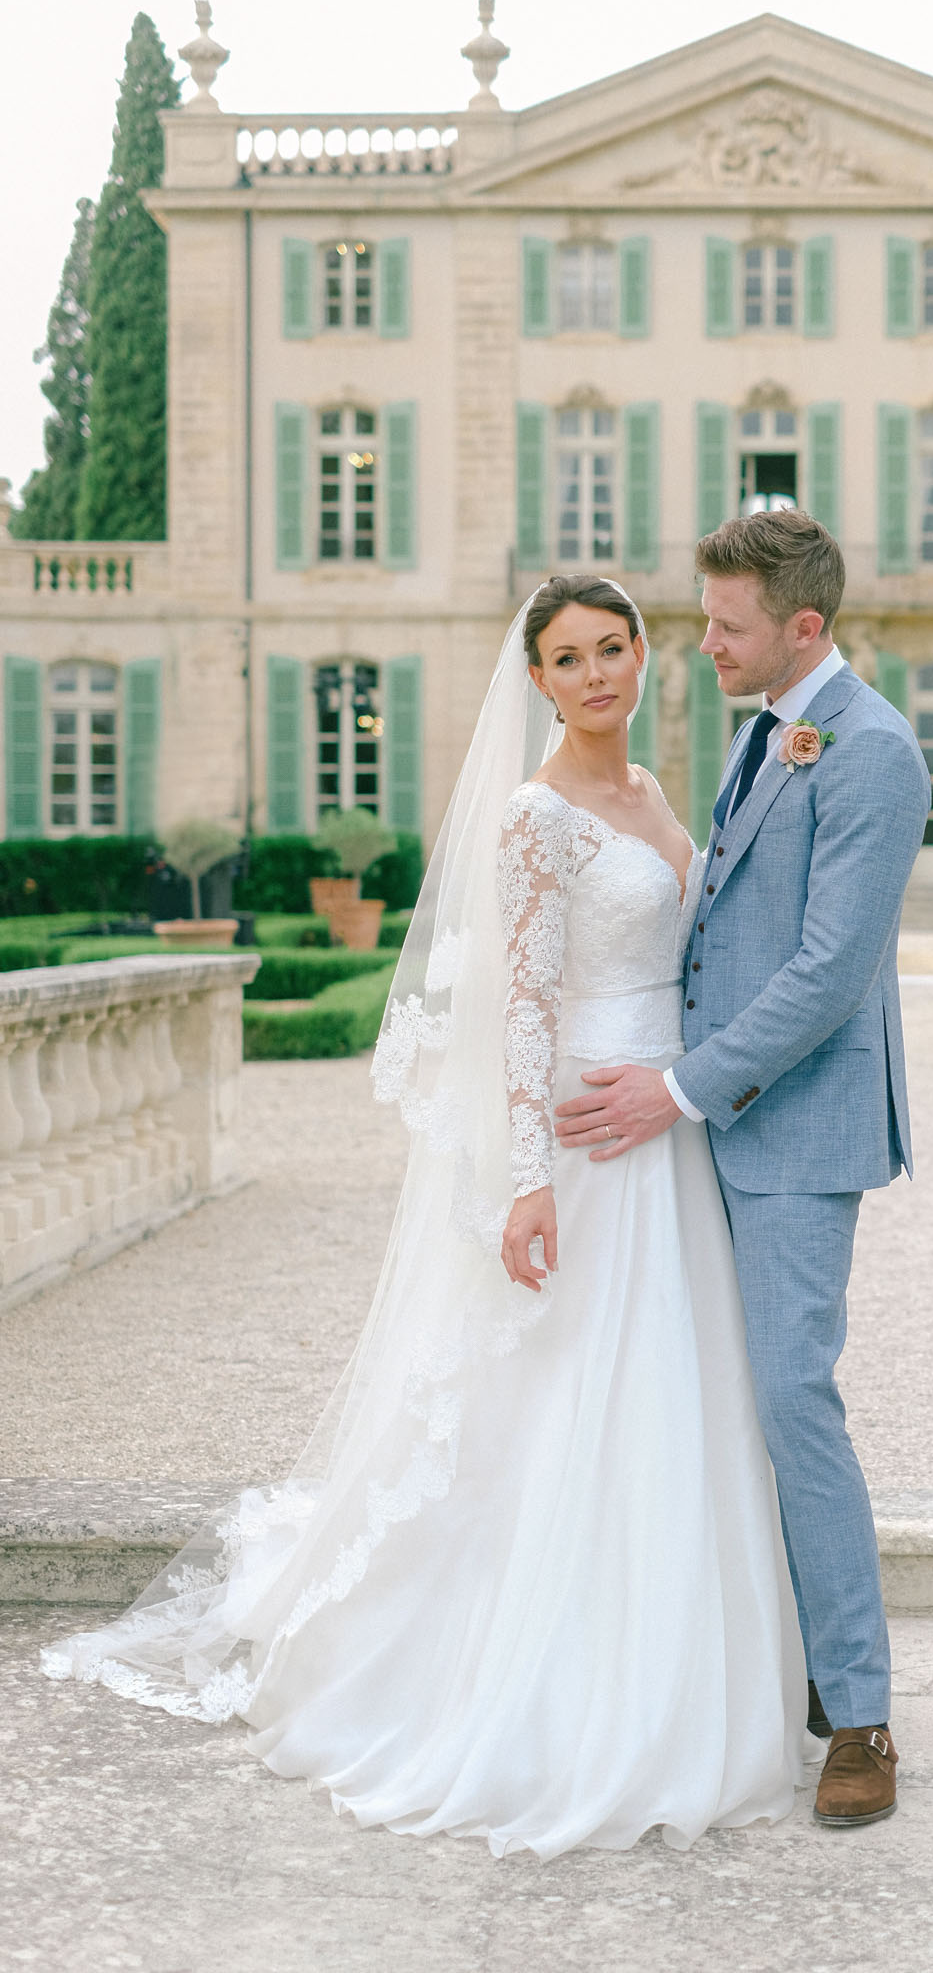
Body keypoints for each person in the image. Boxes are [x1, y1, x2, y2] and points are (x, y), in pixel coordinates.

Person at [40, 575, 814, 1859]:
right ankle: (528, 1690)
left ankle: (685, 1675)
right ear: (539, 683)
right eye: (568, 659)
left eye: (615, 648)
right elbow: (517, 1008)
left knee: (675, 1398)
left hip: (666, 1132)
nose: (599, 674)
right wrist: (523, 1176)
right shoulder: (533, 816)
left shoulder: (662, 796)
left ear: (643, 657)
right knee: (568, 1402)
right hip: (581, 1136)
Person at [553, 511, 930, 1829]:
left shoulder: (872, 752)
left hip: (795, 1130)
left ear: (804, 629)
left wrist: (674, 1084)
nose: (699, 644)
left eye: (725, 626)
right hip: (715, 1119)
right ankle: (771, 1665)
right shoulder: (772, 728)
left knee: (789, 1401)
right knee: (708, 1397)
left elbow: (830, 972)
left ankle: (864, 1713)